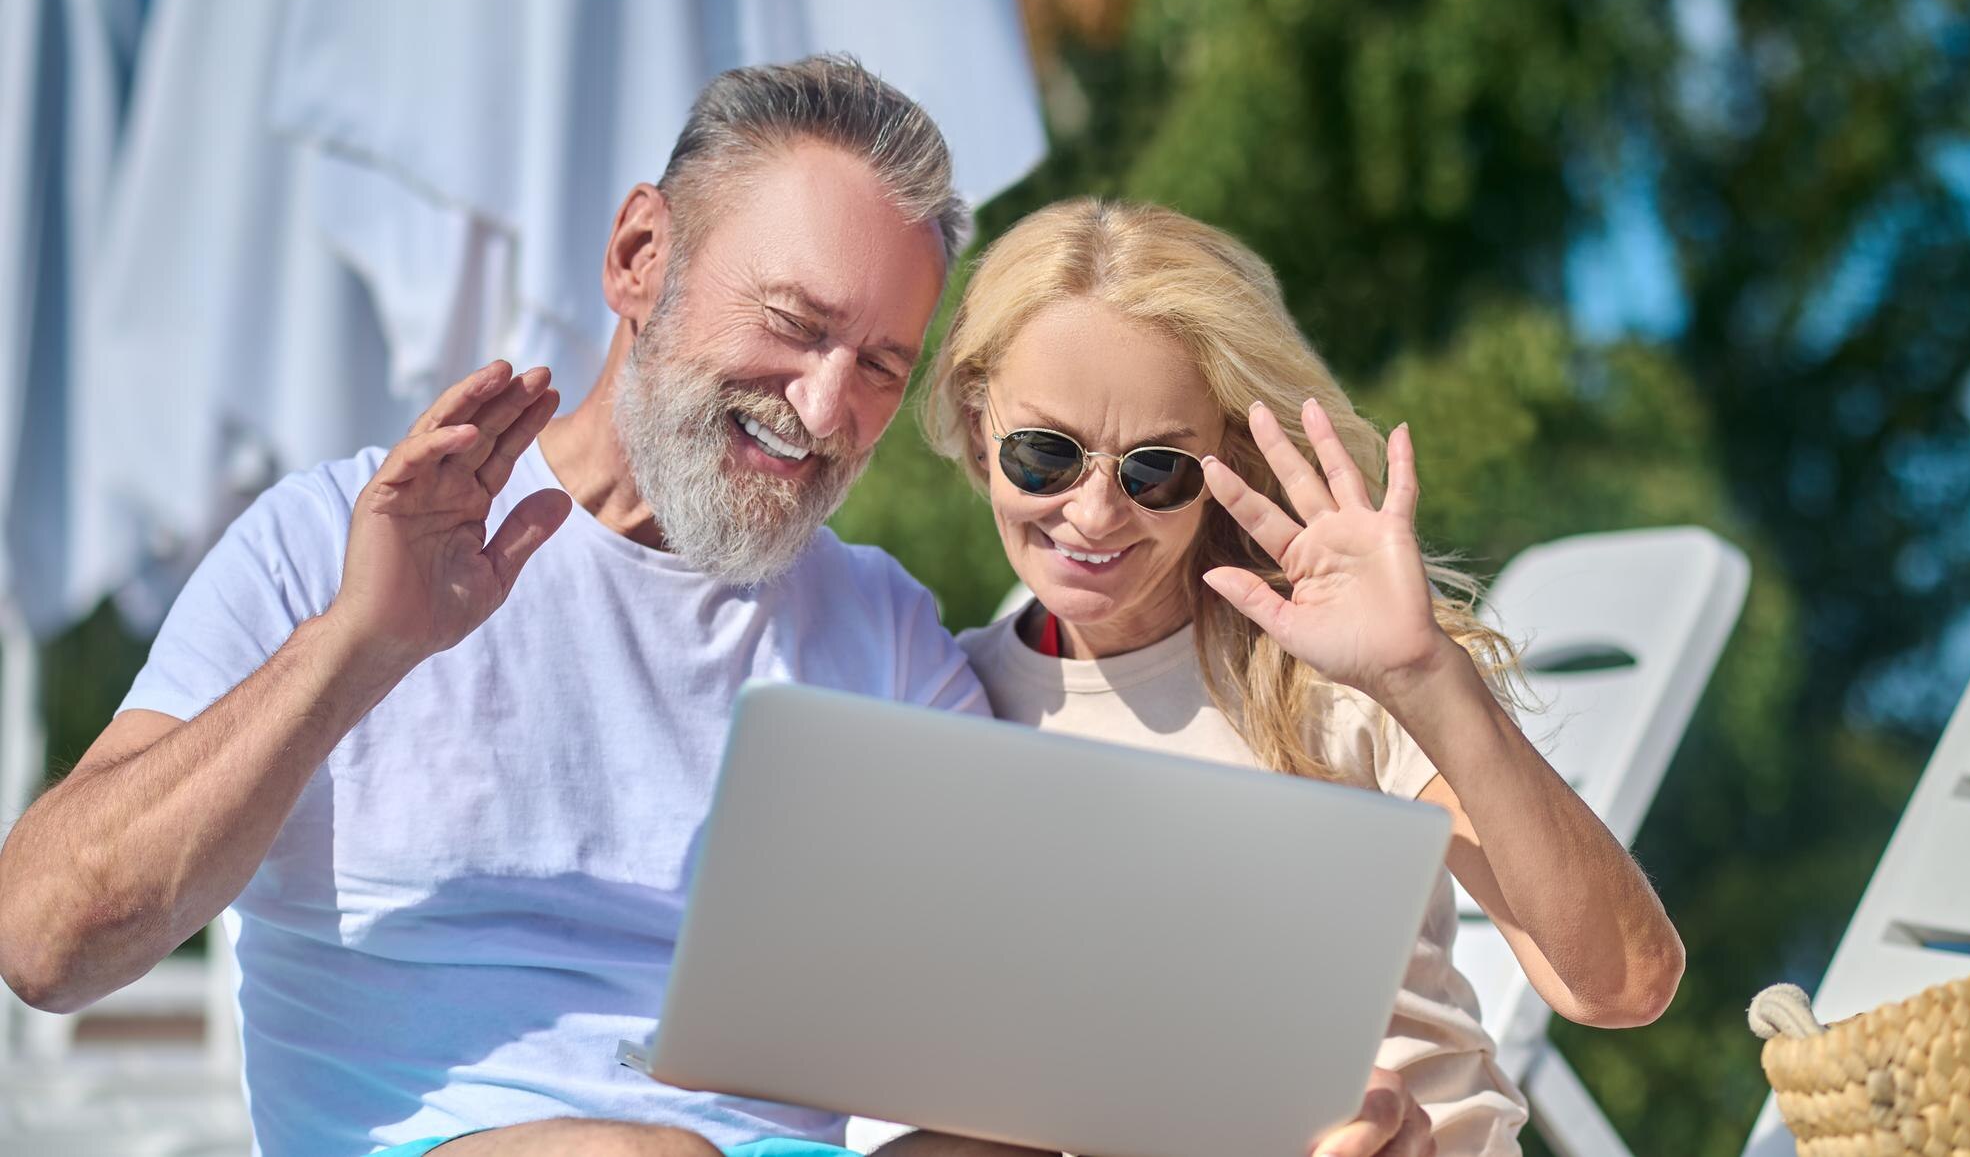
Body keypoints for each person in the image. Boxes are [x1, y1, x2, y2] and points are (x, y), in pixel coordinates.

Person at [0, 58, 1432, 1157]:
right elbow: (50, 941)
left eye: (879, 362)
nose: (824, 408)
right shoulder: (331, 543)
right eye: (796, 326)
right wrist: (357, 647)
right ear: (638, 259)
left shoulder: (876, 631)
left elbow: (1044, 1030)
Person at [925, 198, 1689, 1157]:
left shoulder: (1323, 672)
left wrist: (1426, 676)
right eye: (1044, 454)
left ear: (1225, 461)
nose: (1094, 513)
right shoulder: (946, 705)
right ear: (973, 411)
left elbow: (1622, 981)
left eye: (1156, 470)